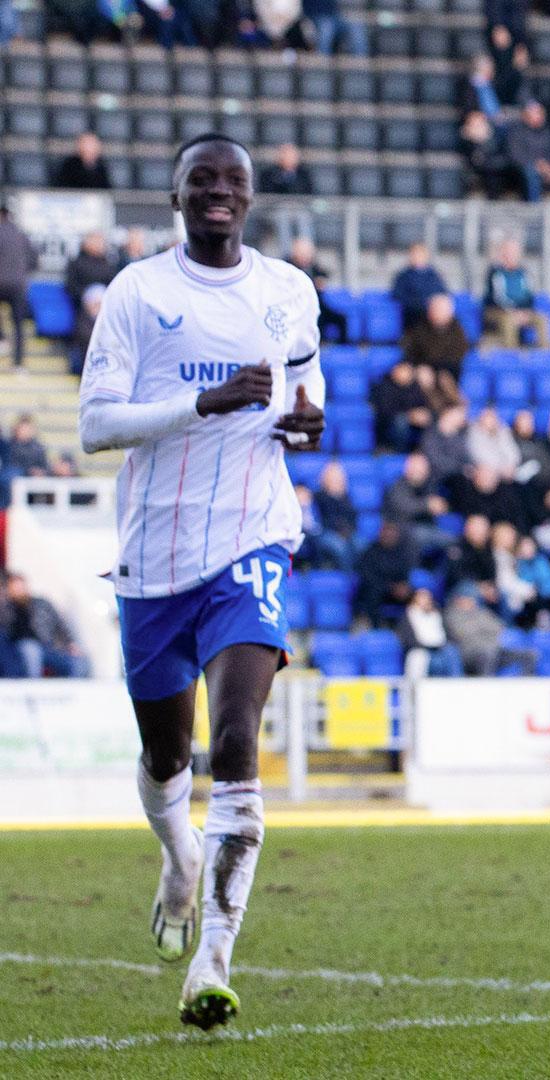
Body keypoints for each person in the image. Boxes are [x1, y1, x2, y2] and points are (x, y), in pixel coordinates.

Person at [76, 133, 327, 1031]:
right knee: (165, 756)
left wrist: (308, 424)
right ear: (176, 195)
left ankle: (212, 964)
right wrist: (202, 402)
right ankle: (179, 855)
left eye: (234, 181)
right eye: (202, 180)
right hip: (154, 553)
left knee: (234, 742)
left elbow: (308, 387)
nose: (219, 192)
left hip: (253, 537)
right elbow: (95, 425)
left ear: (251, 197)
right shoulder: (138, 294)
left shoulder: (286, 291)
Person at [485, 238, 549, 346]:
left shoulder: (523, 273)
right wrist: (513, 311)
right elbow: (495, 297)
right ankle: (512, 356)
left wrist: (525, 312)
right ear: (502, 253)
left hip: (522, 311)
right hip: (498, 310)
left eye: (514, 252)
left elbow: (529, 296)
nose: (511, 254)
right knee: (508, 320)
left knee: (542, 319)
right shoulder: (494, 272)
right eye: (508, 251)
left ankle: (546, 356)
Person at [399, 294, 470, 380]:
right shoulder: (419, 327)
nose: (435, 312)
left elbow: (455, 358)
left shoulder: (458, 331)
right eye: (433, 309)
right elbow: (410, 350)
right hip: (420, 368)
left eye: (440, 310)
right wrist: (412, 367)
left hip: (448, 371)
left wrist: (430, 369)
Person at [0, 204, 34, 369]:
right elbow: (34, 260)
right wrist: (21, 272)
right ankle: (18, 363)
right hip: (19, 284)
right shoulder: (21, 235)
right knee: (19, 324)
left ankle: (1, 339)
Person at [390, 243, 450, 330]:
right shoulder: (403, 276)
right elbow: (397, 295)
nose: (417, 257)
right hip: (413, 315)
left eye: (420, 255)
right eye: (414, 254)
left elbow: (442, 293)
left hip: (434, 313)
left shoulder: (434, 276)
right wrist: (420, 303)